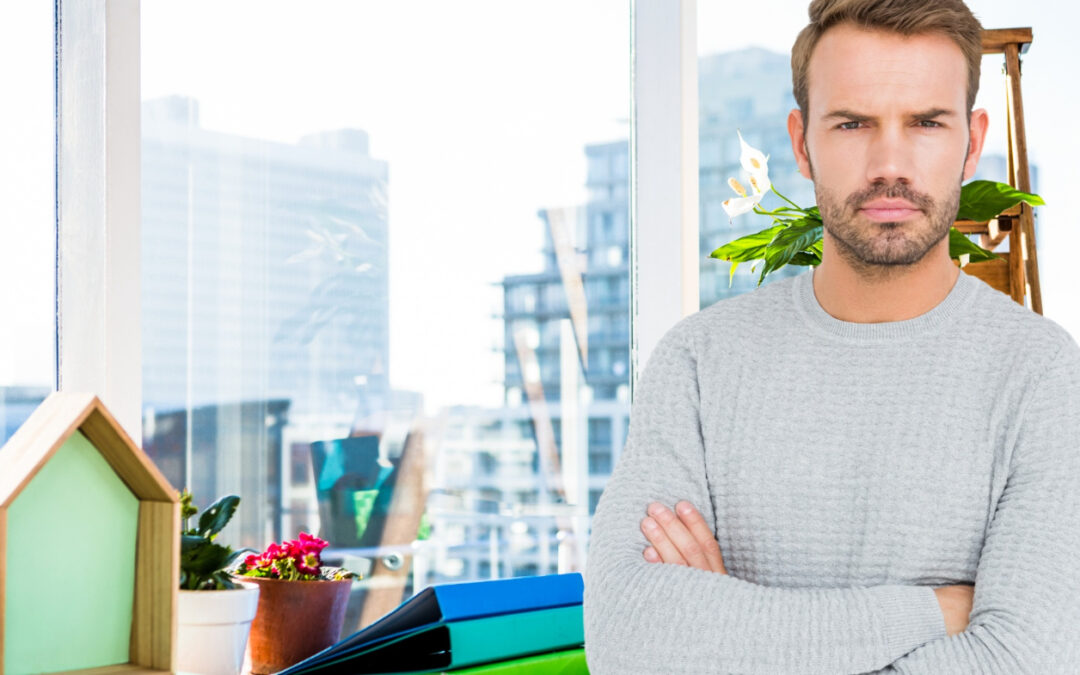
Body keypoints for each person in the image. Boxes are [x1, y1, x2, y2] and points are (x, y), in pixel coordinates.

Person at [582, 0, 1080, 672]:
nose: (889, 164)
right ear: (801, 142)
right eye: (852, 123)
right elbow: (630, 640)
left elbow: (1026, 660)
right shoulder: (698, 364)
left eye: (927, 122)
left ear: (972, 141)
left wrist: (734, 633)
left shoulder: (1043, 374)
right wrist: (936, 608)